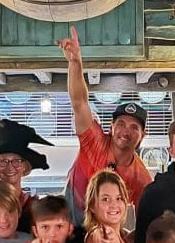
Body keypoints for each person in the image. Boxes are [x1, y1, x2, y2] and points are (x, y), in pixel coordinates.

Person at [58, 25, 153, 225]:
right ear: (111, 127)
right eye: (121, 124)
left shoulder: (141, 178)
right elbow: (79, 102)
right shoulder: (94, 141)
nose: (125, 131)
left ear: (143, 135)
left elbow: (145, 219)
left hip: (106, 230)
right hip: (69, 220)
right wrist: (75, 62)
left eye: (134, 127)